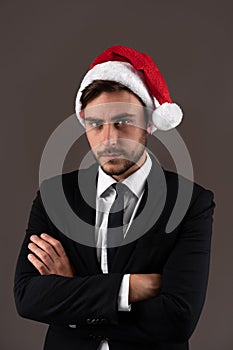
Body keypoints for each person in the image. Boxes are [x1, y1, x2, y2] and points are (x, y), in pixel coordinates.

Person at [14, 46, 215, 350]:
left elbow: (179, 318)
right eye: (96, 124)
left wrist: (71, 294)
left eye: (123, 121)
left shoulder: (190, 203)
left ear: (149, 123)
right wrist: (128, 288)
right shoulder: (56, 197)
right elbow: (27, 297)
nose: (109, 138)